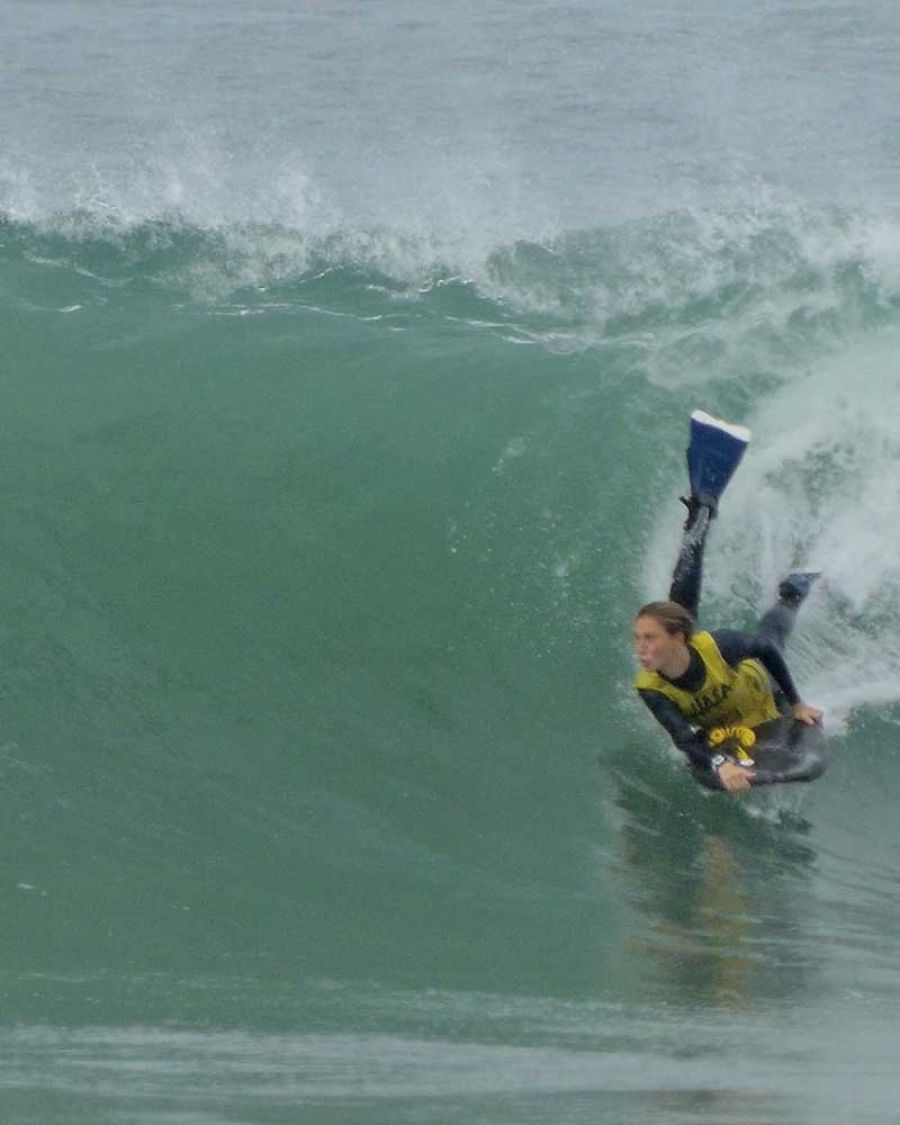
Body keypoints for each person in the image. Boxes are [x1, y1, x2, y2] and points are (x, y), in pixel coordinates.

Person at [633, 413, 823, 794]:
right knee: (678, 604)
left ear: (677, 638)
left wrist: (798, 703)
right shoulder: (651, 687)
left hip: (761, 690)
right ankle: (702, 507)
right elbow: (684, 738)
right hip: (725, 725)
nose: (640, 648)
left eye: (648, 639)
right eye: (637, 639)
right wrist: (720, 765)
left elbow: (766, 649)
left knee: (771, 631)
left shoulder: (718, 646)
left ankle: (791, 592)